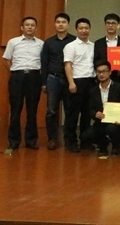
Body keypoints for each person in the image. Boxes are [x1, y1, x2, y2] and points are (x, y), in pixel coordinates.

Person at [3, 16, 44, 152]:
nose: (30, 27)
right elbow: (6, 59)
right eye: (27, 25)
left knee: (32, 110)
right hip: (17, 77)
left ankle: (31, 141)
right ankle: (13, 141)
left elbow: (44, 62)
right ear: (22, 27)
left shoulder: (41, 44)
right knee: (15, 109)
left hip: (34, 77)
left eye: (32, 25)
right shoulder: (13, 42)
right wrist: (14, 72)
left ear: (36, 28)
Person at [40, 13, 75, 150]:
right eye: (58, 22)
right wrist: (44, 82)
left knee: (69, 111)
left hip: (69, 79)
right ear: (55, 24)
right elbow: (44, 63)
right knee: (51, 111)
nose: (61, 24)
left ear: (68, 24)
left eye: (63, 22)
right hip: (52, 79)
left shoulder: (74, 41)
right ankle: (52, 139)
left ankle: (68, 139)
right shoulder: (48, 42)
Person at [80, 60, 120, 156]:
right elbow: (90, 109)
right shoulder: (93, 91)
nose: (101, 74)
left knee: (111, 129)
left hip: (115, 122)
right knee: (85, 136)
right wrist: (95, 114)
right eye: (99, 72)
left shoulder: (119, 87)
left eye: (104, 71)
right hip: (100, 122)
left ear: (110, 72)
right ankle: (103, 143)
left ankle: (116, 145)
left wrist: (119, 118)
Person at [63, 18, 95, 153]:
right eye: (81, 28)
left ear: (90, 29)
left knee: (87, 114)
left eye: (86, 28)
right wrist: (71, 82)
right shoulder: (70, 46)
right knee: (73, 114)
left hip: (91, 82)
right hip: (76, 82)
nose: (84, 31)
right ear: (76, 30)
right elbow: (67, 65)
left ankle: (85, 141)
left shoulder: (93, 46)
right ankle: (71, 141)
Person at [93, 13, 120, 84]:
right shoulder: (98, 43)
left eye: (113, 23)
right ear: (105, 25)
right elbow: (96, 61)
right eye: (108, 23)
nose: (110, 25)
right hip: (103, 79)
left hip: (119, 78)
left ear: (118, 26)